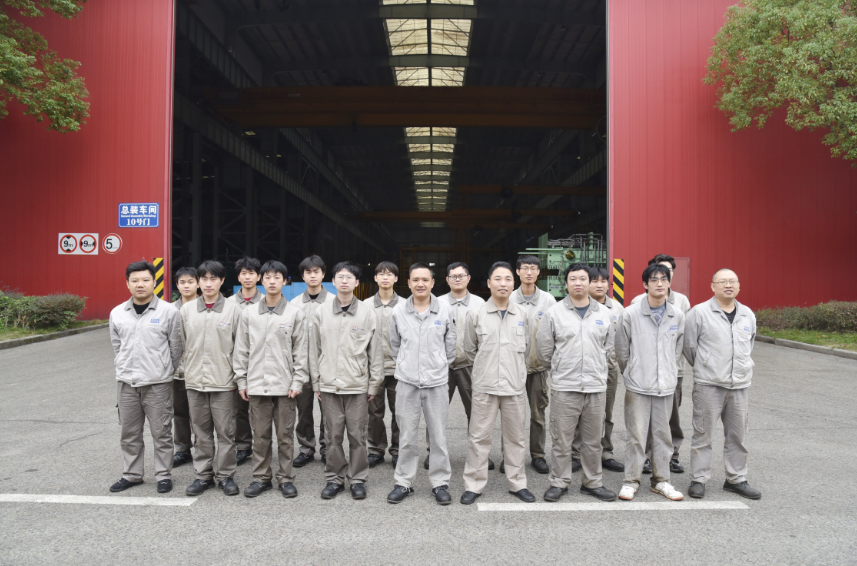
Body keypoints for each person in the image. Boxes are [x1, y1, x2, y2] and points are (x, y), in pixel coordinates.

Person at [537, 263, 617, 502]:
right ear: (566, 283)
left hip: (595, 387)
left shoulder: (604, 314)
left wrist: (595, 367)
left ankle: (592, 482)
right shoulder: (554, 313)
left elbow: (609, 348)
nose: (578, 283)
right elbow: (544, 351)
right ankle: (559, 482)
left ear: (590, 283)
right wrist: (562, 368)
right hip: (565, 387)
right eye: (573, 279)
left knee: (593, 441)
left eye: (583, 279)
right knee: (562, 440)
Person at [683, 269, 761, 500]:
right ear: (713, 286)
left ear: (739, 286)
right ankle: (699, 479)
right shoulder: (699, 313)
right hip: (708, 384)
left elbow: (749, 344)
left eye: (732, 281)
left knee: (737, 435)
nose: (728, 285)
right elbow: (689, 347)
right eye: (723, 281)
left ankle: (736, 479)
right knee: (703, 434)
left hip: (739, 386)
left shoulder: (747, 314)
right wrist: (707, 365)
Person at [460, 262, 534, 505]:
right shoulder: (476, 314)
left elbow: (527, 350)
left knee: (515, 438)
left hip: (514, 387)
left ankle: (517, 483)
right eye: (498, 279)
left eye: (508, 279)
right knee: (479, 438)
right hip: (485, 386)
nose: (503, 283)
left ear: (514, 284)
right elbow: (470, 350)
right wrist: (487, 367)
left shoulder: (523, 315)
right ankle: (474, 485)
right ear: (489, 283)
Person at [233, 261, 308, 499]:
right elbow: (241, 350)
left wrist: (298, 382)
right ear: (261, 280)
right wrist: (242, 380)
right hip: (257, 384)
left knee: (285, 436)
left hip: (285, 387)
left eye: (277, 277)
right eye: (268, 277)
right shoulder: (249, 313)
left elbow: (301, 351)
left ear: (285, 281)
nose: (272, 281)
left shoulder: (295, 313)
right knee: (261, 435)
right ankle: (261, 478)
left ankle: (286, 478)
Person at [309, 262, 384, 500]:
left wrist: (374, 384)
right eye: (340, 277)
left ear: (357, 283)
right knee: (332, 435)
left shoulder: (367, 313)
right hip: (329, 384)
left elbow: (376, 353)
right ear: (332, 281)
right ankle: (334, 478)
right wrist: (316, 382)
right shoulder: (321, 312)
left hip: (357, 385)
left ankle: (358, 479)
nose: (344, 281)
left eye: (349, 277)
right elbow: (314, 350)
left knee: (357, 435)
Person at [108, 261, 182, 494]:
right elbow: (117, 346)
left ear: (154, 282)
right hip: (127, 383)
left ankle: (163, 475)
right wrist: (126, 366)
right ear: (127, 283)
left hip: (157, 383)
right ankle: (132, 474)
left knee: (162, 432)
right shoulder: (117, 313)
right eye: (135, 280)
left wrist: (163, 369)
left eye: (145, 280)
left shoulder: (169, 311)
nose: (140, 284)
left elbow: (176, 348)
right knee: (129, 433)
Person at [386, 263, 457, 505]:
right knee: (407, 437)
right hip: (407, 383)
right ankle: (404, 483)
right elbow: (395, 345)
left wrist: (438, 365)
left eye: (425, 280)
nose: (420, 284)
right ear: (408, 283)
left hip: (436, 384)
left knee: (438, 437)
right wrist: (407, 365)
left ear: (433, 283)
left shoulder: (445, 310)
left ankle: (440, 483)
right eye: (415, 279)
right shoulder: (398, 311)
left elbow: (450, 346)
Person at [615, 263, 685, 501]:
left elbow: (677, 350)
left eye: (664, 279)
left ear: (669, 283)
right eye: (654, 280)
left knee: (663, 437)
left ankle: (661, 481)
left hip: (665, 387)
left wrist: (669, 372)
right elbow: (622, 350)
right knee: (637, 436)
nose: (659, 283)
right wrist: (632, 372)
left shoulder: (677, 315)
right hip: (638, 386)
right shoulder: (630, 313)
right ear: (645, 284)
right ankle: (631, 481)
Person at [181, 260, 243, 497]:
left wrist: (238, 378)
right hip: (195, 381)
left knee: (226, 432)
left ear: (222, 281)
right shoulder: (187, 311)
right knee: (201, 431)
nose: (208, 284)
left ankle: (226, 476)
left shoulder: (233, 310)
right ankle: (203, 475)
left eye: (213, 279)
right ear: (198, 282)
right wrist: (186, 371)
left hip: (223, 381)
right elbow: (181, 344)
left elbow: (240, 348)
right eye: (204, 279)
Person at [425, 262, 492, 471]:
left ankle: (479, 454)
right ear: (447, 280)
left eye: (461, 276)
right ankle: (433, 453)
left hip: (470, 366)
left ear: (468, 278)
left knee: (477, 413)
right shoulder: (437, 302)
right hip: (442, 367)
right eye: (453, 276)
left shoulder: (480, 303)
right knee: (436, 413)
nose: (457, 279)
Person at [631, 254, 690, 474]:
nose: (661, 280)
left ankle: (672, 455)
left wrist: (672, 365)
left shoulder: (681, 302)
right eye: (656, 275)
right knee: (645, 418)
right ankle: (646, 456)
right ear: (648, 279)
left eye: (667, 273)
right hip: (644, 373)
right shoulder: (637, 303)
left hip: (673, 372)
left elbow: (684, 340)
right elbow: (625, 345)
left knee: (671, 416)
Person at [572, 266, 625, 473]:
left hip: (607, 370)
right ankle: (576, 454)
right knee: (578, 414)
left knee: (606, 414)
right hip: (579, 369)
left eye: (604, 281)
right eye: (595, 281)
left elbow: (619, 341)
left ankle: (605, 453)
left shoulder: (617, 309)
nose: (599, 285)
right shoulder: (577, 306)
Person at [508, 254, 556, 475]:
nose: (529, 272)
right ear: (517, 271)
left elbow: (554, 334)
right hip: (512, 367)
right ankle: (510, 456)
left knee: (538, 414)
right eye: (525, 268)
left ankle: (538, 455)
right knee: (512, 415)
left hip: (538, 368)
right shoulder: (508, 297)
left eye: (533, 268)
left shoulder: (548, 301)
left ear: (539, 272)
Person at [290, 255, 334, 467]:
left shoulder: (334, 302)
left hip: (326, 368)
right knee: (304, 412)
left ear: (323, 274)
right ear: (303, 275)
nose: (313, 275)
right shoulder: (294, 304)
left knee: (328, 412)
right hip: (302, 368)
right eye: (308, 272)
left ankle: (327, 448)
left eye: (317, 271)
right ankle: (306, 448)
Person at [229, 256, 263, 466]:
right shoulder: (228, 304)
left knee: (263, 410)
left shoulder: (267, 301)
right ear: (238, 277)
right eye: (244, 273)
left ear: (259, 277)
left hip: (261, 363)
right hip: (237, 363)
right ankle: (243, 446)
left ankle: (262, 447)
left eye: (251, 273)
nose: (247, 277)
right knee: (239, 409)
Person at [368, 261, 402, 468]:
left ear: (396, 278)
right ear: (375, 278)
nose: (385, 277)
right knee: (374, 414)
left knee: (400, 413)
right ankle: (375, 450)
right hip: (374, 369)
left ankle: (398, 450)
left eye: (389, 274)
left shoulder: (406, 305)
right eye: (381, 274)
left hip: (399, 370)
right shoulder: (364, 306)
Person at [171, 267, 199, 468]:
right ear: (177, 285)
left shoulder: (204, 307)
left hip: (199, 371)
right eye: (182, 282)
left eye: (190, 282)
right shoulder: (169, 310)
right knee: (179, 413)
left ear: (198, 283)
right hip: (176, 372)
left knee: (201, 415)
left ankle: (203, 449)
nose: (186, 286)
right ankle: (182, 449)